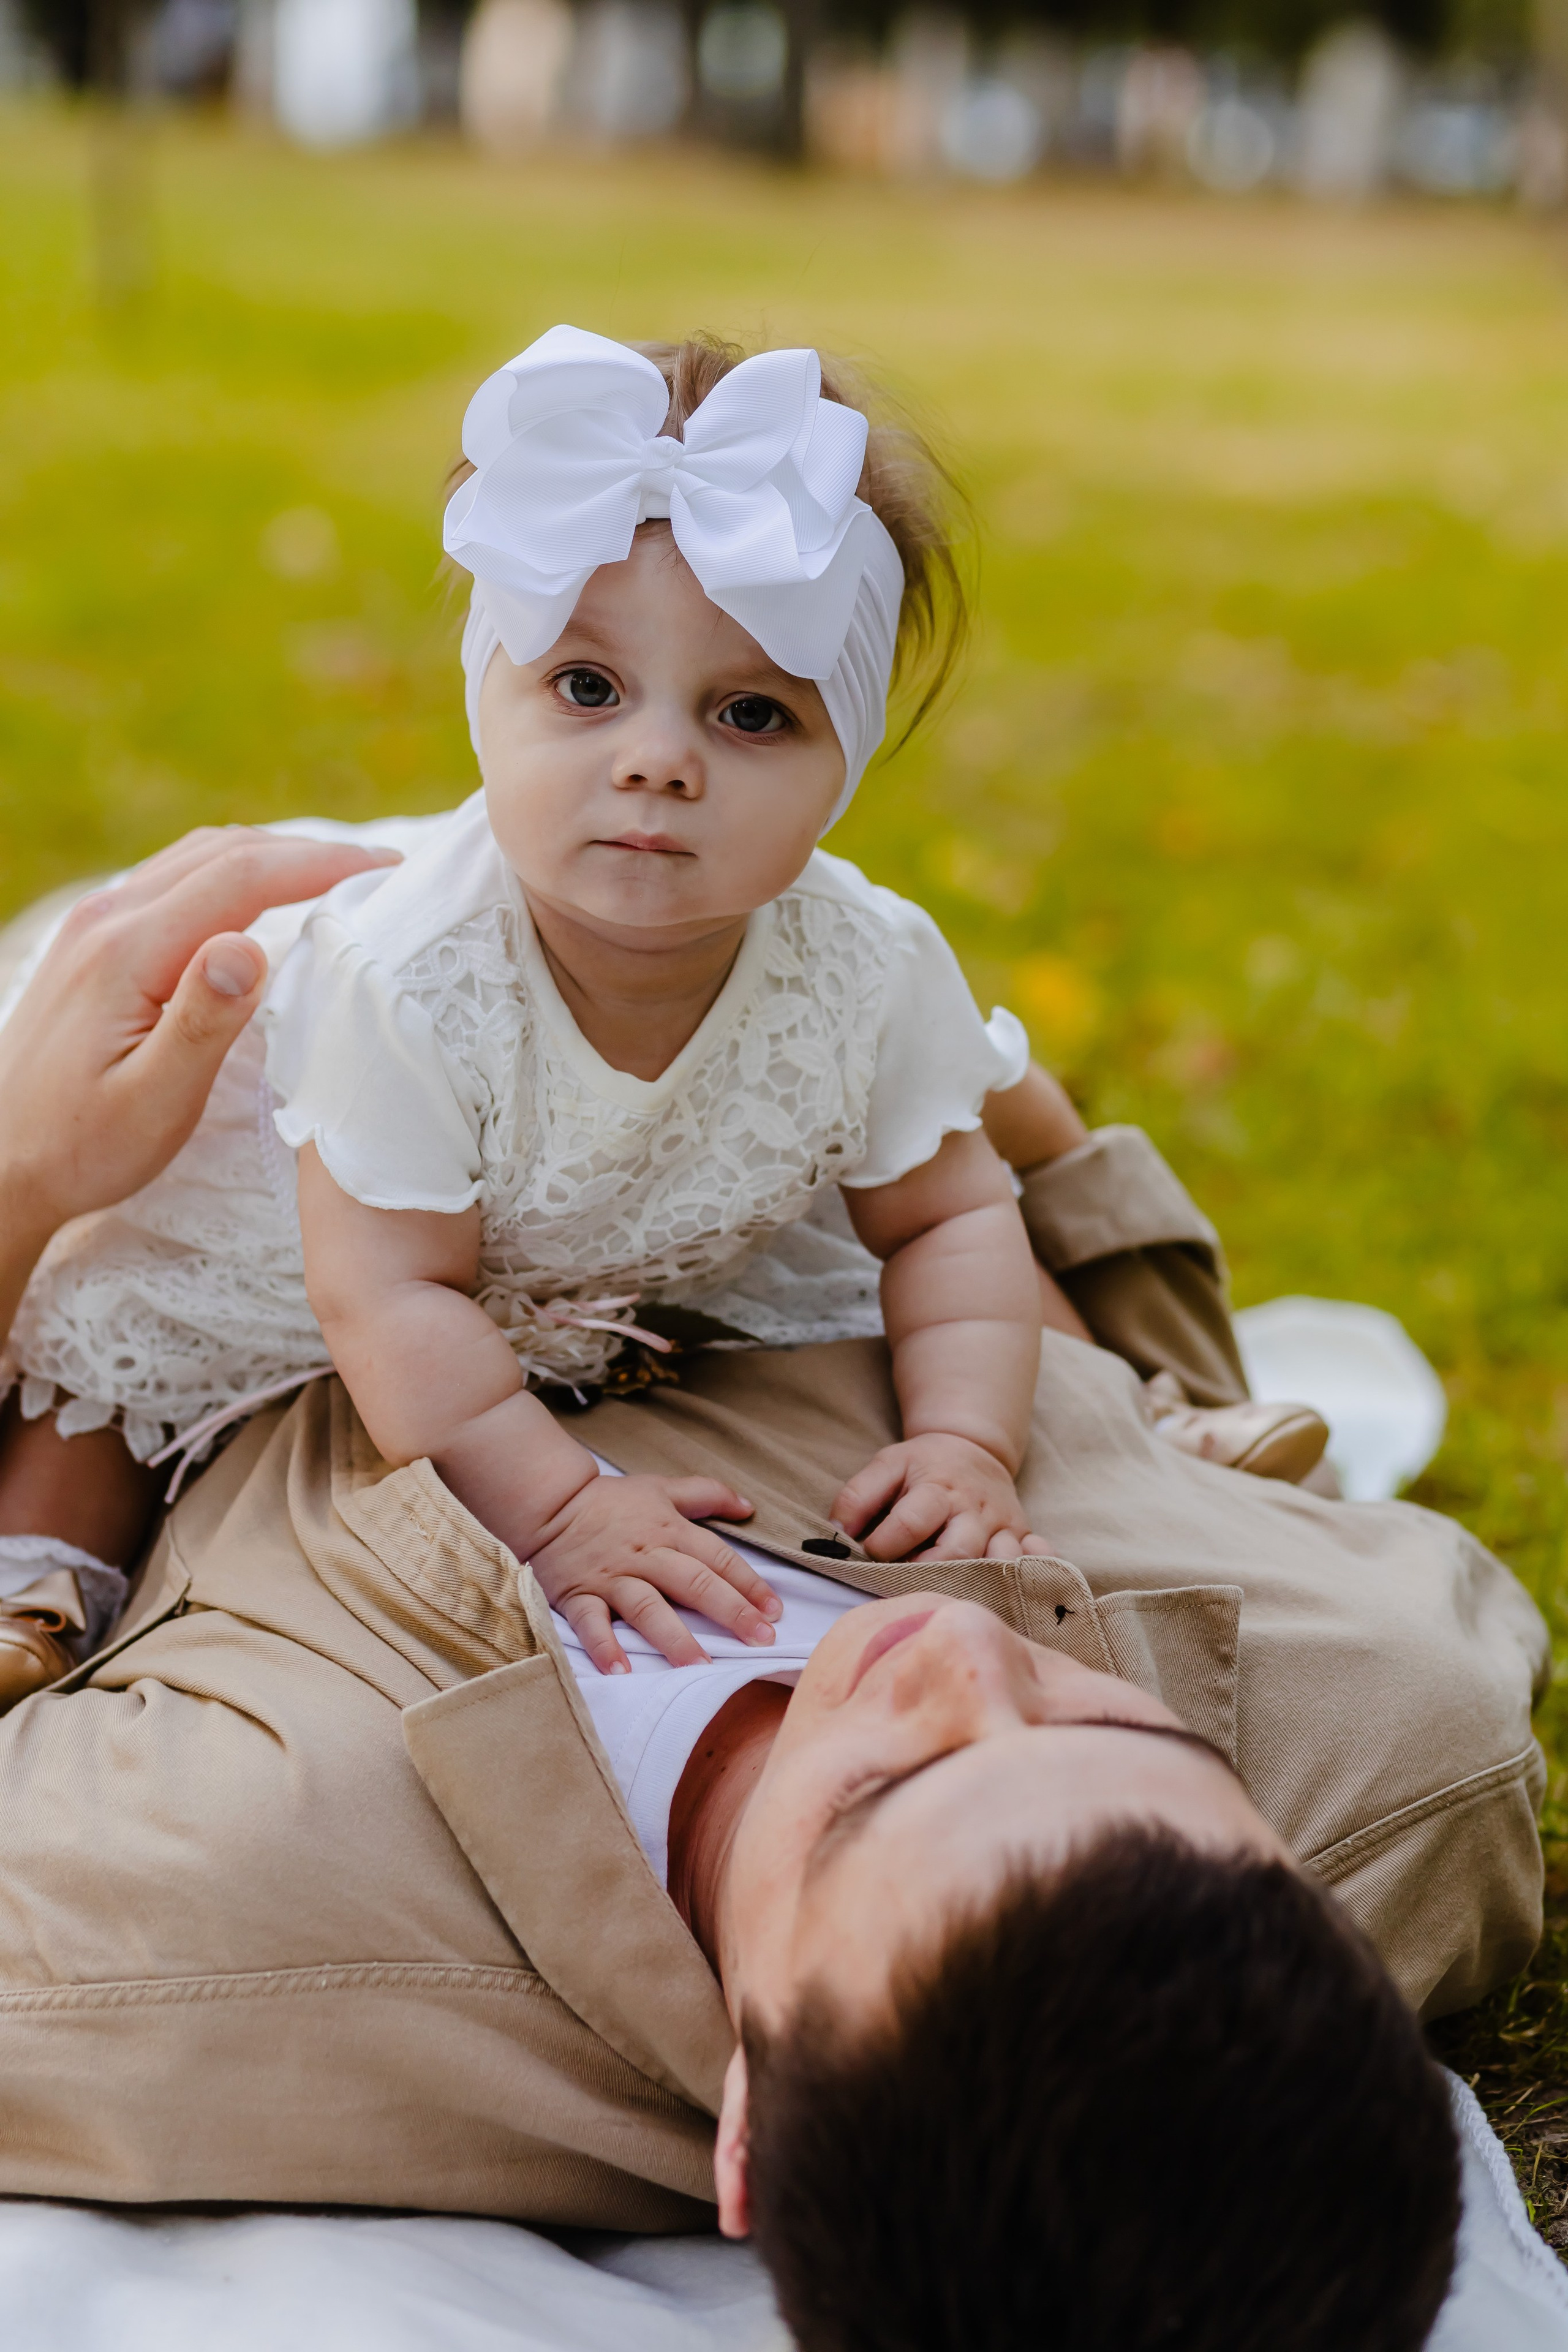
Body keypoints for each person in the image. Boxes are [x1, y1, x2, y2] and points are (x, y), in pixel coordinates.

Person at [0, 827, 1547, 2352]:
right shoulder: (1399, 1747)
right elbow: (1174, 1419)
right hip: (720, 1017)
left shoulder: (195, 1918)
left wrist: (26, 1173)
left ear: (747, 2133)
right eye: (1112, 1725)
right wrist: (981, 1081)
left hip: (176, 1159)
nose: (949, 1648)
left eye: (878, 1791)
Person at [0, 326, 1324, 1686]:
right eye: (585, 688)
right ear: (485, 698)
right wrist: (564, 1507)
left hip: (632, 1214)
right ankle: (40, 1586)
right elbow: (390, 1301)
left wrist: (963, 1443)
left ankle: (1136, 1430)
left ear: (845, 761)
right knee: (116, 1368)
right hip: (322, 1225)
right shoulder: (403, 976)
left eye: (749, 716)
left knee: (946, 1225)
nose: (656, 763)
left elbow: (944, 1217)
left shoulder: (860, 960)